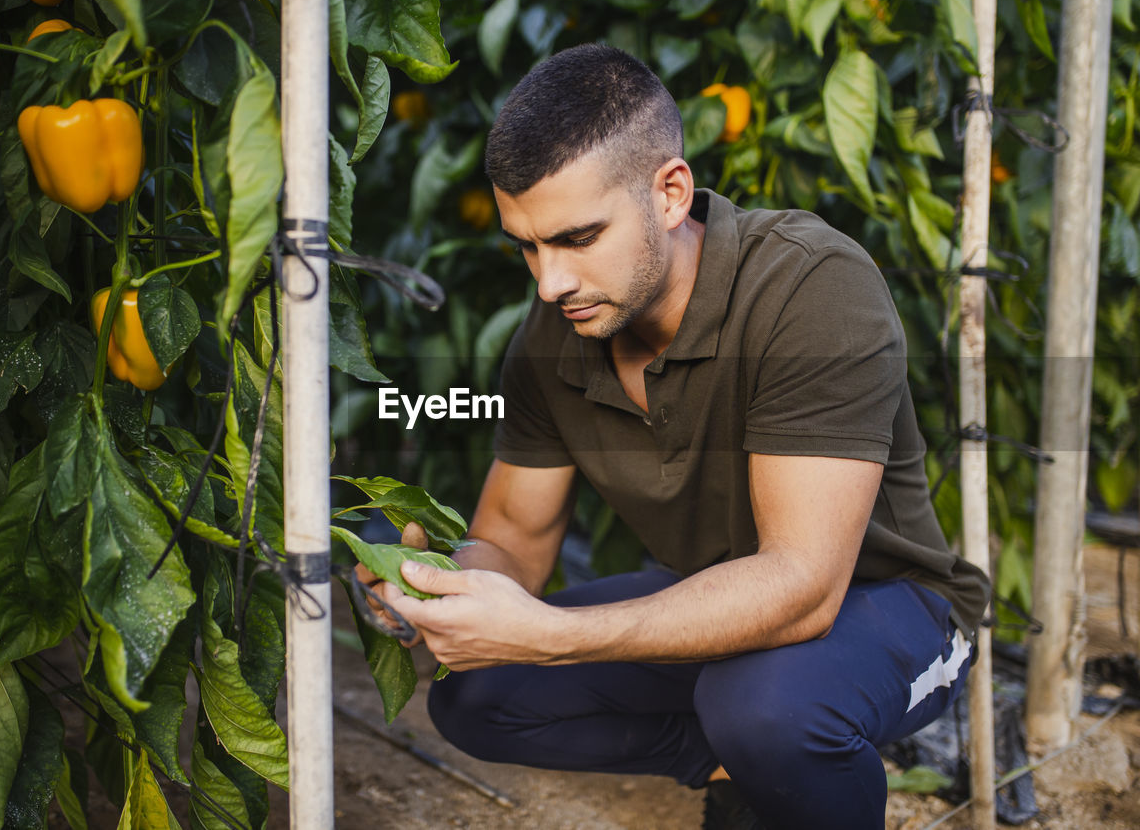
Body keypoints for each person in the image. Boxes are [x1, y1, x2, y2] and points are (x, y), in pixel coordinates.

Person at [356, 43, 991, 830]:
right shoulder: (554, 339)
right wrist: (431, 581)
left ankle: (780, 753)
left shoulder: (811, 286)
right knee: (478, 694)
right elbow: (512, 543)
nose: (549, 282)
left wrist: (553, 634)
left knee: (764, 704)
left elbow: (803, 585)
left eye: (578, 238)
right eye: (528, 245)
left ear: (670, 192)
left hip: (889, 605)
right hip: (722, 597)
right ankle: (751, 772)